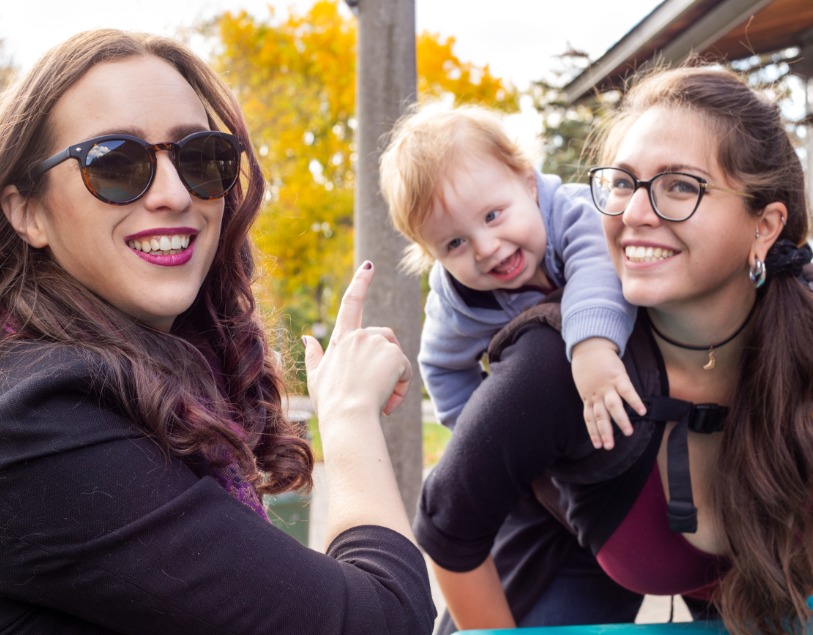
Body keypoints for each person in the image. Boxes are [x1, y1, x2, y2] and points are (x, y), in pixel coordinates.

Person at [0, 29, 435, 633]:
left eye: (201, 158)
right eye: (116, 164)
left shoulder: (148, 377)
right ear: (26, 211)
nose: (176, 194)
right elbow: (381, 620)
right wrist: (349, 413)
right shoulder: (38, 419)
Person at [413, 64, 813, 635]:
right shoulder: (553, 368)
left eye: (680, 185)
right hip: (569, 565)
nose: (635, 214)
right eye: (623, 183)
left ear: (766, 225)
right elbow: (449, 528)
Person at [379, 102, 643, 447]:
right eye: (455, 242)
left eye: (492, 216)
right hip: (563, 428)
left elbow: (597, 267)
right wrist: (483, 433)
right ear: (433, 256)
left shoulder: (576, 215)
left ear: (529, 184)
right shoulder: (458, 304)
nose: (486, 248)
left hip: (638, 372)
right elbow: (442, 368)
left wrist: (591, 347)